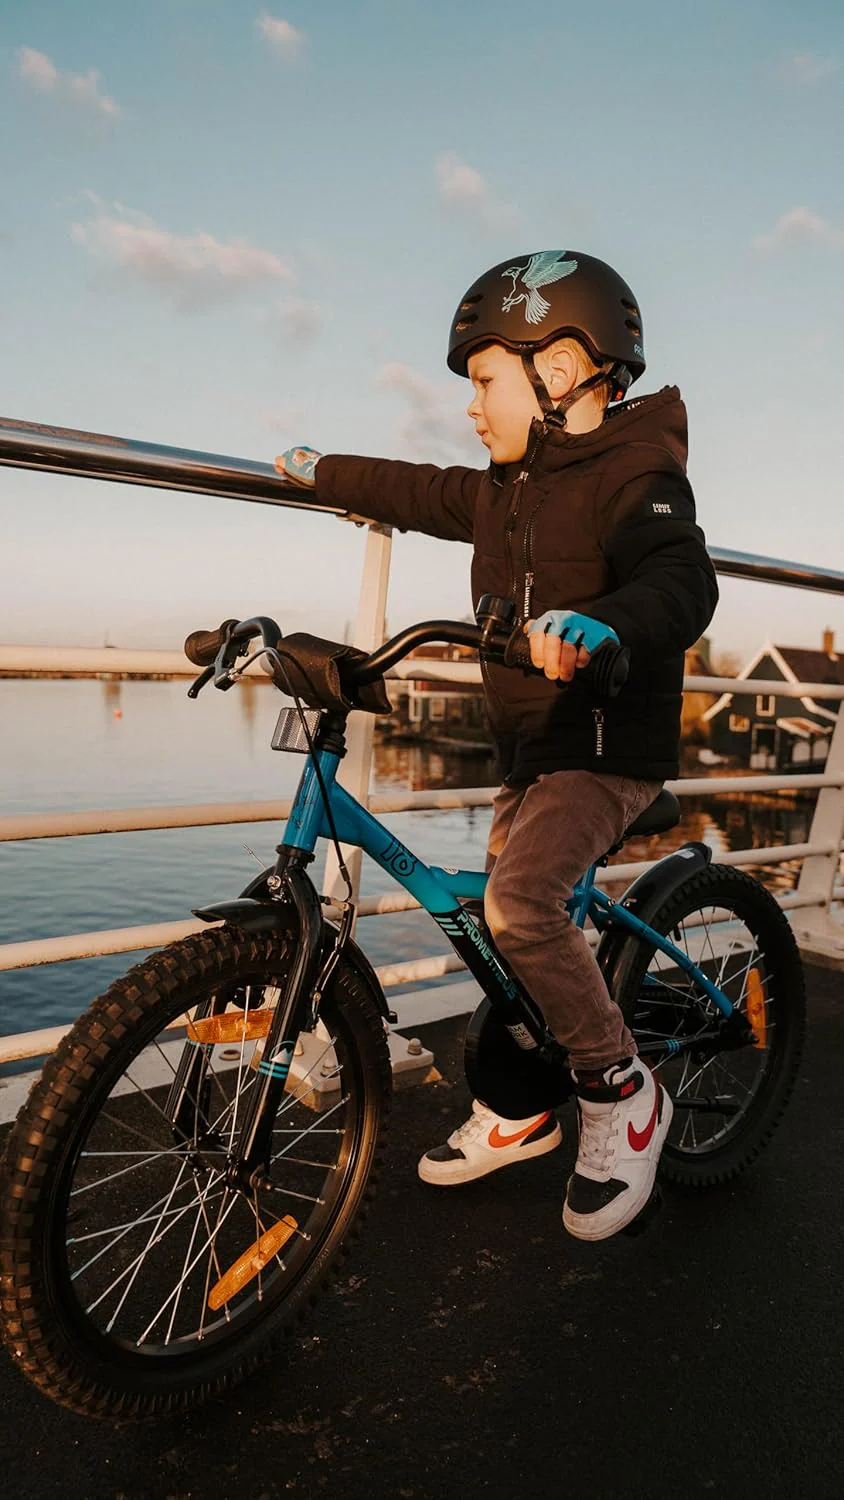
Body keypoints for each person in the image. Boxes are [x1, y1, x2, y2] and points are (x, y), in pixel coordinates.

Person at [275, 249, 719, 1241]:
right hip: (530, 745)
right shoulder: (506, 488)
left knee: (520, 906)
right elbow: (419, 490)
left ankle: (618, 1091)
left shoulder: (638, 475)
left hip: (604, 745)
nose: (469, 406)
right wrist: (321, 473)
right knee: (505, 930)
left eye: (482, 379)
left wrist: (607, 624)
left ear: (557, 371)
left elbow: (680, 581)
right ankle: (522, 1106)